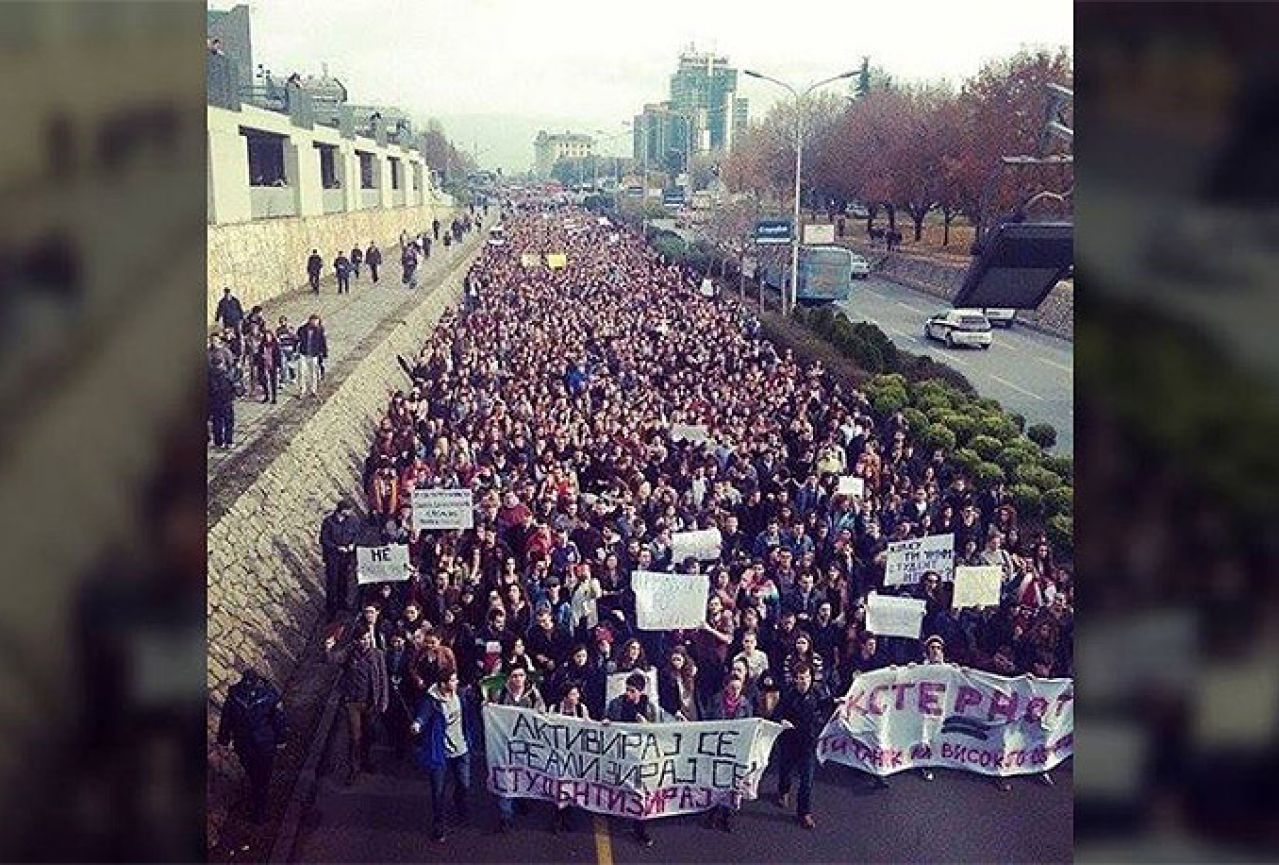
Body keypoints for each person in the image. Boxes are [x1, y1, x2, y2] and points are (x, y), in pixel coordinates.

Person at [411, 669, 478, 842]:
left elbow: (473, 708)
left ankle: (459, 802)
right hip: (440, 751)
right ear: (443, 684)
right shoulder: (432, 700)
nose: (456, 683)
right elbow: (423, 715)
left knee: (464, 783)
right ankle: (439, 824)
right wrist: (418, 724)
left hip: (461, 749)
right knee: (438, 790)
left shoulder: (461, 695)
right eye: (453, 680)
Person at [215, 668, 288, 823]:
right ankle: (260, 806)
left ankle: (258, 796)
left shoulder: (233, 697)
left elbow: (226, 721)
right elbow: (278, 719)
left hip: (243, 743)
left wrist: (223, 741)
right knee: (263, 774)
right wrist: (281, 739)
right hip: (265, 742)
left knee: (253, 773)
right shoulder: (269, 695)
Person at [324, 627, 389, 785]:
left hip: (370, 702)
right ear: (356, 640)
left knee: (369, 734)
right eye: (361, 639)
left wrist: (383, 701)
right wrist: (328, 648)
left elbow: (382, 679)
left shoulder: (377, 655)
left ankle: (366, 760)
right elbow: (334, 659)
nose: (364, 641)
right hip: (353, 702)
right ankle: (354, 767)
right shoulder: (350, 653)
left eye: (367, 638)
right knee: (355, 737)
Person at [775, 664, 831, 829]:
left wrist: (838, 701)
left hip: (808, 744)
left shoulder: (817, 693)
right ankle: (783, 791)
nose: (803, 681)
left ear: (811, 678)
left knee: (806, 781)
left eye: (806, 677)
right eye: (800, 678)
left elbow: (824, 704)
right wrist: (781, 721)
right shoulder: (788, 695)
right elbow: (776, 713)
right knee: (785, 771)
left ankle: (804, 813)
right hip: (789, 742)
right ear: (794, 679)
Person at [489, 667, 545, 831]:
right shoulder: (501, 694)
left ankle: (523, 799)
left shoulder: (534, 695)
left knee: (524, 773)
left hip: (527, 744)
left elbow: (541, 715)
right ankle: (506, 816)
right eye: (514, 676)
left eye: (521, 675)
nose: (518, 679)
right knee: (506, 777)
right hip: (505, 744)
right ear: (509, 678)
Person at [605, 671, 657, 847]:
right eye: (627, 689)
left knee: (640, 793)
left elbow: (659, 730)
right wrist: (605, 723)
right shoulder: (616, 704)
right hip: (621, 753)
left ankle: (640, 829)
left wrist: (647, 726)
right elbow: (606, 720)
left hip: (641, 756)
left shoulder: (649, 707)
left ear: (641, 692)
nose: (628, 693)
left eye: (632, 691)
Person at [706, 672, 752, 832]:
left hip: (735, 748)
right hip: (718, 746)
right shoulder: (716, 700)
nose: (735, 691)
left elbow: (749, 724)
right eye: (732, 688)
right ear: (726, 687)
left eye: (738, 688)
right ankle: (713, 812)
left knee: (732, 783)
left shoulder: (746, 704)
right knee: (716, 781)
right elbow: (708, 721)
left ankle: (727, 816)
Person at [549, 681, 590, 833]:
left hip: (575, 754)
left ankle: (568, 817)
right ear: (565, 697)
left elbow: (589, 727)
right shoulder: (554, 709)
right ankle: (558, 817)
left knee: (571, 786)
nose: (577, 696)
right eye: (573, 694)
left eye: (577, 693)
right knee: (559, 785)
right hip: (559, 753)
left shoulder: (581, 709)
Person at [319, 500, 360, 620]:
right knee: (332, 582)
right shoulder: (329, 522)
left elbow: (356, 535)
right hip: (333, 557)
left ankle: (343, 603)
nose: (350, 512)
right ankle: (331, 608)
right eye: (348, 510)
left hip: (346, 557)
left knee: (344, 580)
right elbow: (324, 540)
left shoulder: (353, 521)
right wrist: (337, 548)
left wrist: (353, 544)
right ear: (342, 510)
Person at [296, 314, 327, 398]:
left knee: (313, 373)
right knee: (301, 372)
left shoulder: (320, 330)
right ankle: (302, 390)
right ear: (310, 320)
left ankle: (313, 390)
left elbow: (323, 341)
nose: (315, 324)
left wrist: (324, 353)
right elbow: (297, 339)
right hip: (303, 353)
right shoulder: (302, 329)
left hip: (314, 354)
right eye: (314, 322)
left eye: (317, 322)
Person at [208, 356, 236, 449]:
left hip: (214, 402)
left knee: (217, 422)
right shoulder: (226, 375)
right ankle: (228, 441)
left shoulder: (209, 376)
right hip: (226, 402)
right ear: (221, 364)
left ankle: (218, 442)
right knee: (228, 422)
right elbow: (234, 388)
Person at [254, 328, 283, 404]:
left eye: (269, 336)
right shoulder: (262, 345)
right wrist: (261, 357)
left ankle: (274, 397)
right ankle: (267, 395)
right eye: (266, 336)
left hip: (272, 365)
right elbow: (258, 354)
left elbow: (278, 355)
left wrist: (279, 366)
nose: (267, 338)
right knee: (264, 381)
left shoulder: (275, 344)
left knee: (273, 381)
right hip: (263, 365)